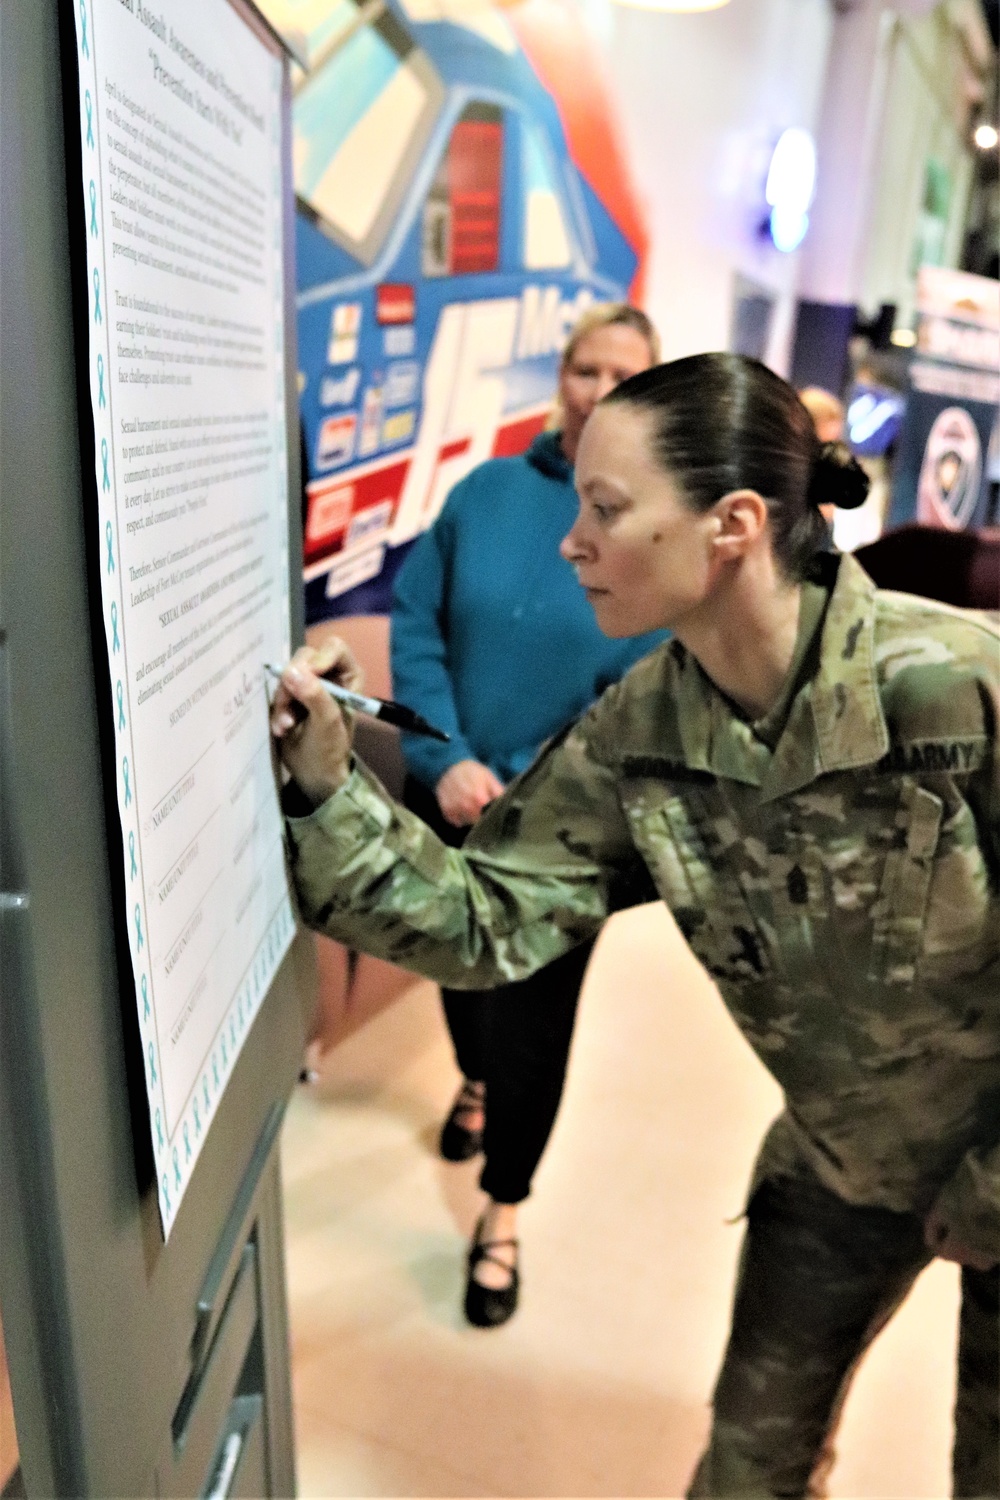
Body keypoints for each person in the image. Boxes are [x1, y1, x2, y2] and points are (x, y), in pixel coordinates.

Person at [271, 353, 999, 1496]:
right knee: (746, 1469)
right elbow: (486, 917)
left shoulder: (953, 687)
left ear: (733, 525)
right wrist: (324, 785)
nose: (573, 542)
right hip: (837, 1166)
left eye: (606, 511)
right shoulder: (640, 733)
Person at [389, 302, 665, 1326]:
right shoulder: (487, 491)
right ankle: (472, 1078)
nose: (598, 391)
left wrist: (539, 788)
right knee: (457, 980)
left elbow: (640, 690)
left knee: (534, 1022)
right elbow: (416, 624)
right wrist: (444, 757)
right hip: (450, 799)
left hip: (559, 836)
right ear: (561, 376)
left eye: (624, 378)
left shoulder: (647, 531)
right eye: (585, 370)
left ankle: (502, 1209)